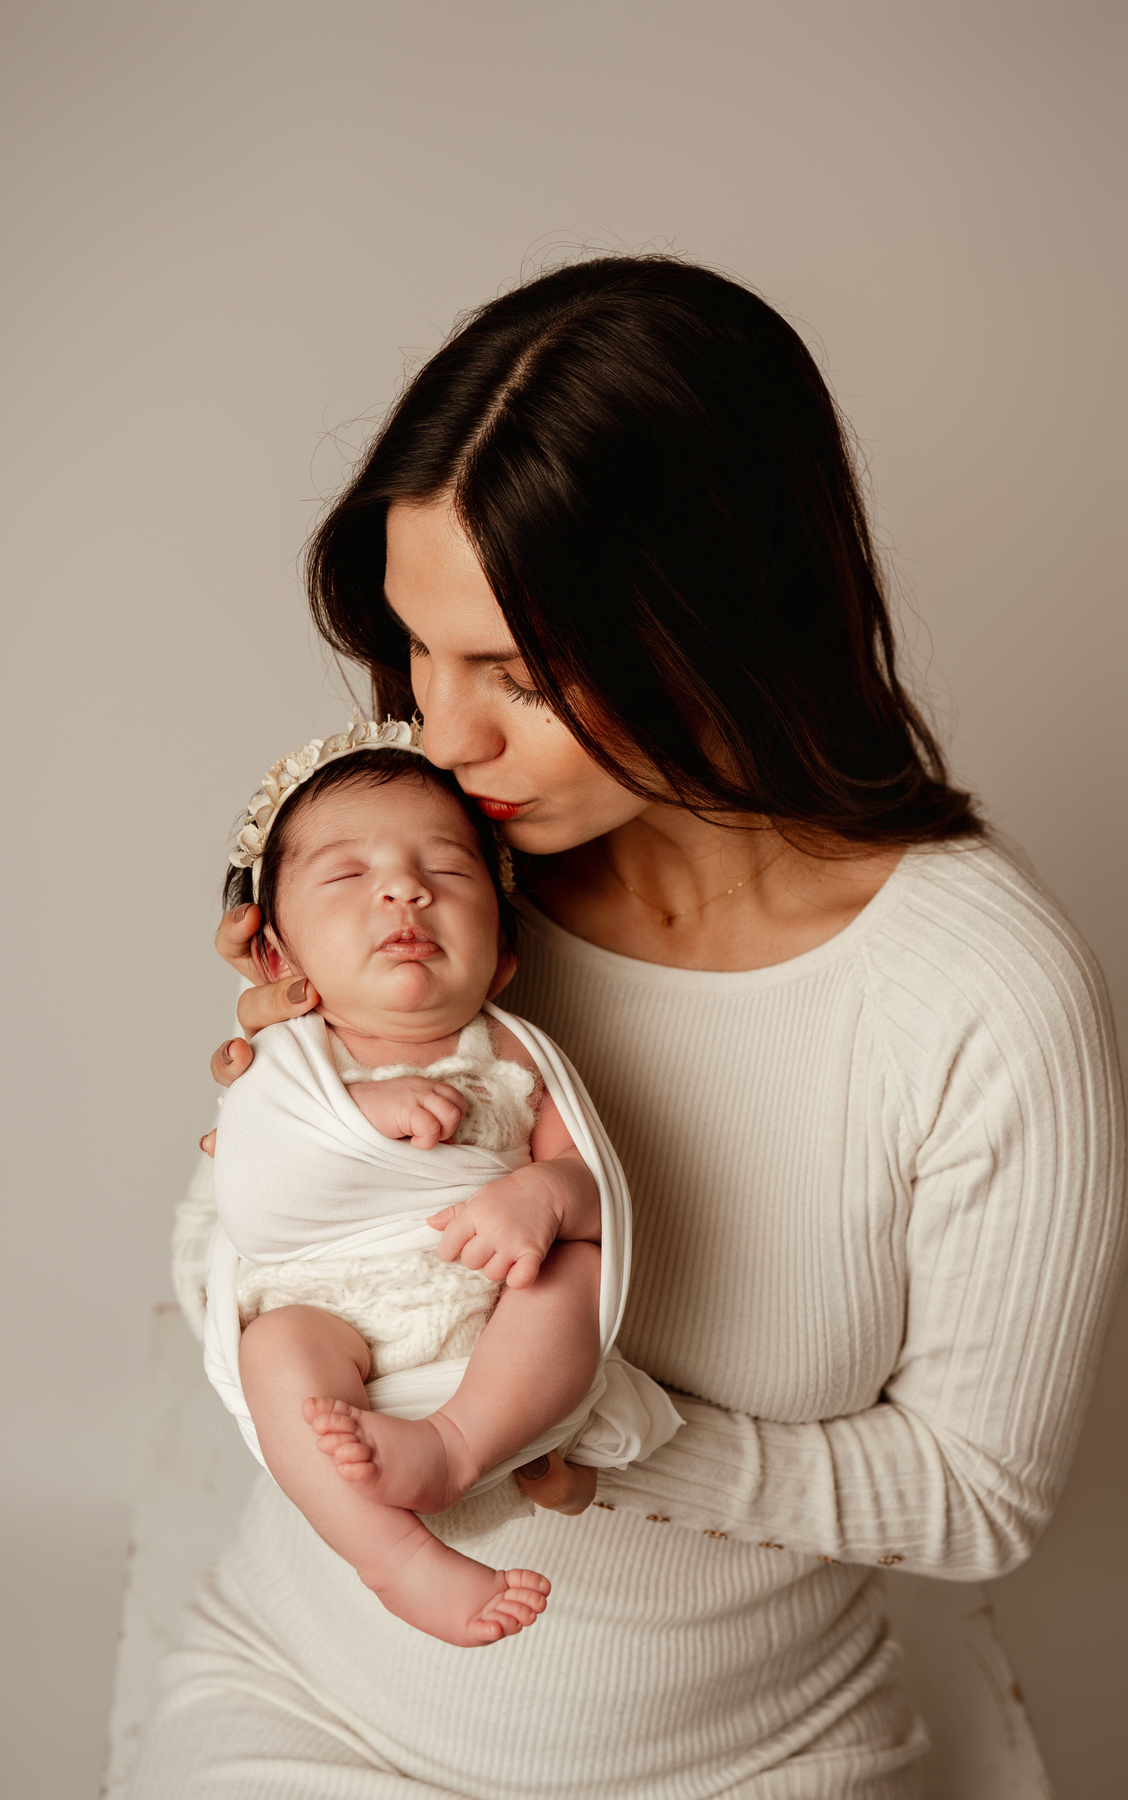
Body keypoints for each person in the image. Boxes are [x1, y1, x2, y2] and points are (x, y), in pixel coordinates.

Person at [139, 257, 1125, 1798]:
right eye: (416, 651)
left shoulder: (976, 996)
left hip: (754, 1758)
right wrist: (296, 1125)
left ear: (727, 625)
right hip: (310, 1706)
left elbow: (980, 1500)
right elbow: (249, 1265)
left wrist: (588, 1428)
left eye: (518, 675)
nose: (442, 736)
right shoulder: (458, 886)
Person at [203, 721, 679, 1647]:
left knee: (566, 1275)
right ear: (280, 964)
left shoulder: (511, 1051)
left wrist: (542, 1197)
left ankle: (458, 1446)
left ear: (502, 957)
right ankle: (397, 1560)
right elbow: (254, 1200)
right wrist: (358, 1117)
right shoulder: (281, 1060)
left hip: (490, 1326)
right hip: (332, 1311)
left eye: (450, 873)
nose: (404, 888)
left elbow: (595, 1193)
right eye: (346, 875)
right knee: (277, 1353)